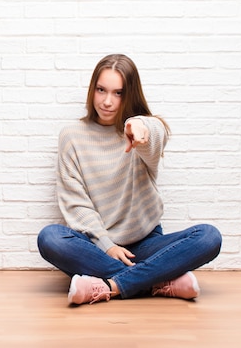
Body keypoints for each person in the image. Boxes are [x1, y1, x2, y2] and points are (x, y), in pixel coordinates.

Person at [37, 54, 222, 305]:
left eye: (118, 93)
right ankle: (157, 281)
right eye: (101, 90)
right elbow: (76, 203)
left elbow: (154, 134)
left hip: (146, 244)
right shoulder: (72, 136)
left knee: (209, 236)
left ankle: (110, 285)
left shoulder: (142, 131)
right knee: (50, 238)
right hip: (99, 247)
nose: (107, 101)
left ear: (130, 95)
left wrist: (139, 127)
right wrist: (107, 246)